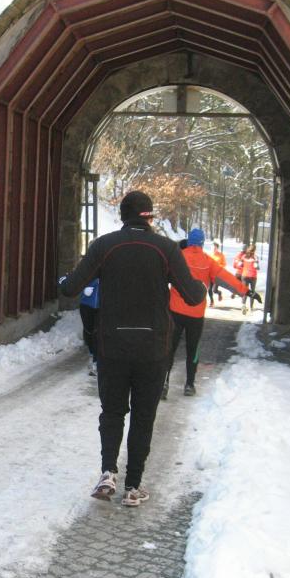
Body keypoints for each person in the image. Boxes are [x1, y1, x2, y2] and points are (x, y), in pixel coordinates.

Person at [59, 191, 206, 507]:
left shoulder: (104, 246)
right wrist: (202, 286)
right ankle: (133, 486)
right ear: (149, 217)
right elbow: (193, 296)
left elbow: (71, 287)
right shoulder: (166, 249)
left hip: (112, 345)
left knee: (112, 411)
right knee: (143, 415)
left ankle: (108, 472)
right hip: (153, 347)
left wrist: (62, 281)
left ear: (123, 216)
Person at [163, 229, 247, 399]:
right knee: (193, 349)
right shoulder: (208, 261)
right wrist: (245, 291)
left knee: (169, 347)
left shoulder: (177, 257)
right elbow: (226, 278)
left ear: (188, 241)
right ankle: (189, 384)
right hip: (196, 314)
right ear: (202, 243)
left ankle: (164, 383)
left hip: (175, 311)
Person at [79, 278, 100, 376]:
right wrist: (83, 291)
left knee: (97, 333)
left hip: (102, 306)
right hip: (86, 304)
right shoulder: (89, 269)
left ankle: (96, 361)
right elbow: (74, 284)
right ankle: (91, 353)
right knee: (88, 331)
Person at [240, 244, 260, 314]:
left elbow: (240, 265)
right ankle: (251, 307)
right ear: (255, 250)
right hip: (253, 276)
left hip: (245, 275)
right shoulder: (255, 257)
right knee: (252, 291)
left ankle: (243, 305)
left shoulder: (244, 256)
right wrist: (257, 266)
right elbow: (256, 266)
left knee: (245, 291)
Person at [207, 239, 226, 306]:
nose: (214, 249)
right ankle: (212, 302)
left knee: (214, 290)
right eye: (213, 247)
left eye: (215, 248)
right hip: (210, 275)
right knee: (209, 289)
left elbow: (224, 264)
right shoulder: (209, 255)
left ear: (217, 248)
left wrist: (218, 267)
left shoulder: (221, 255)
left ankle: (219, 293)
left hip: (217, 275)